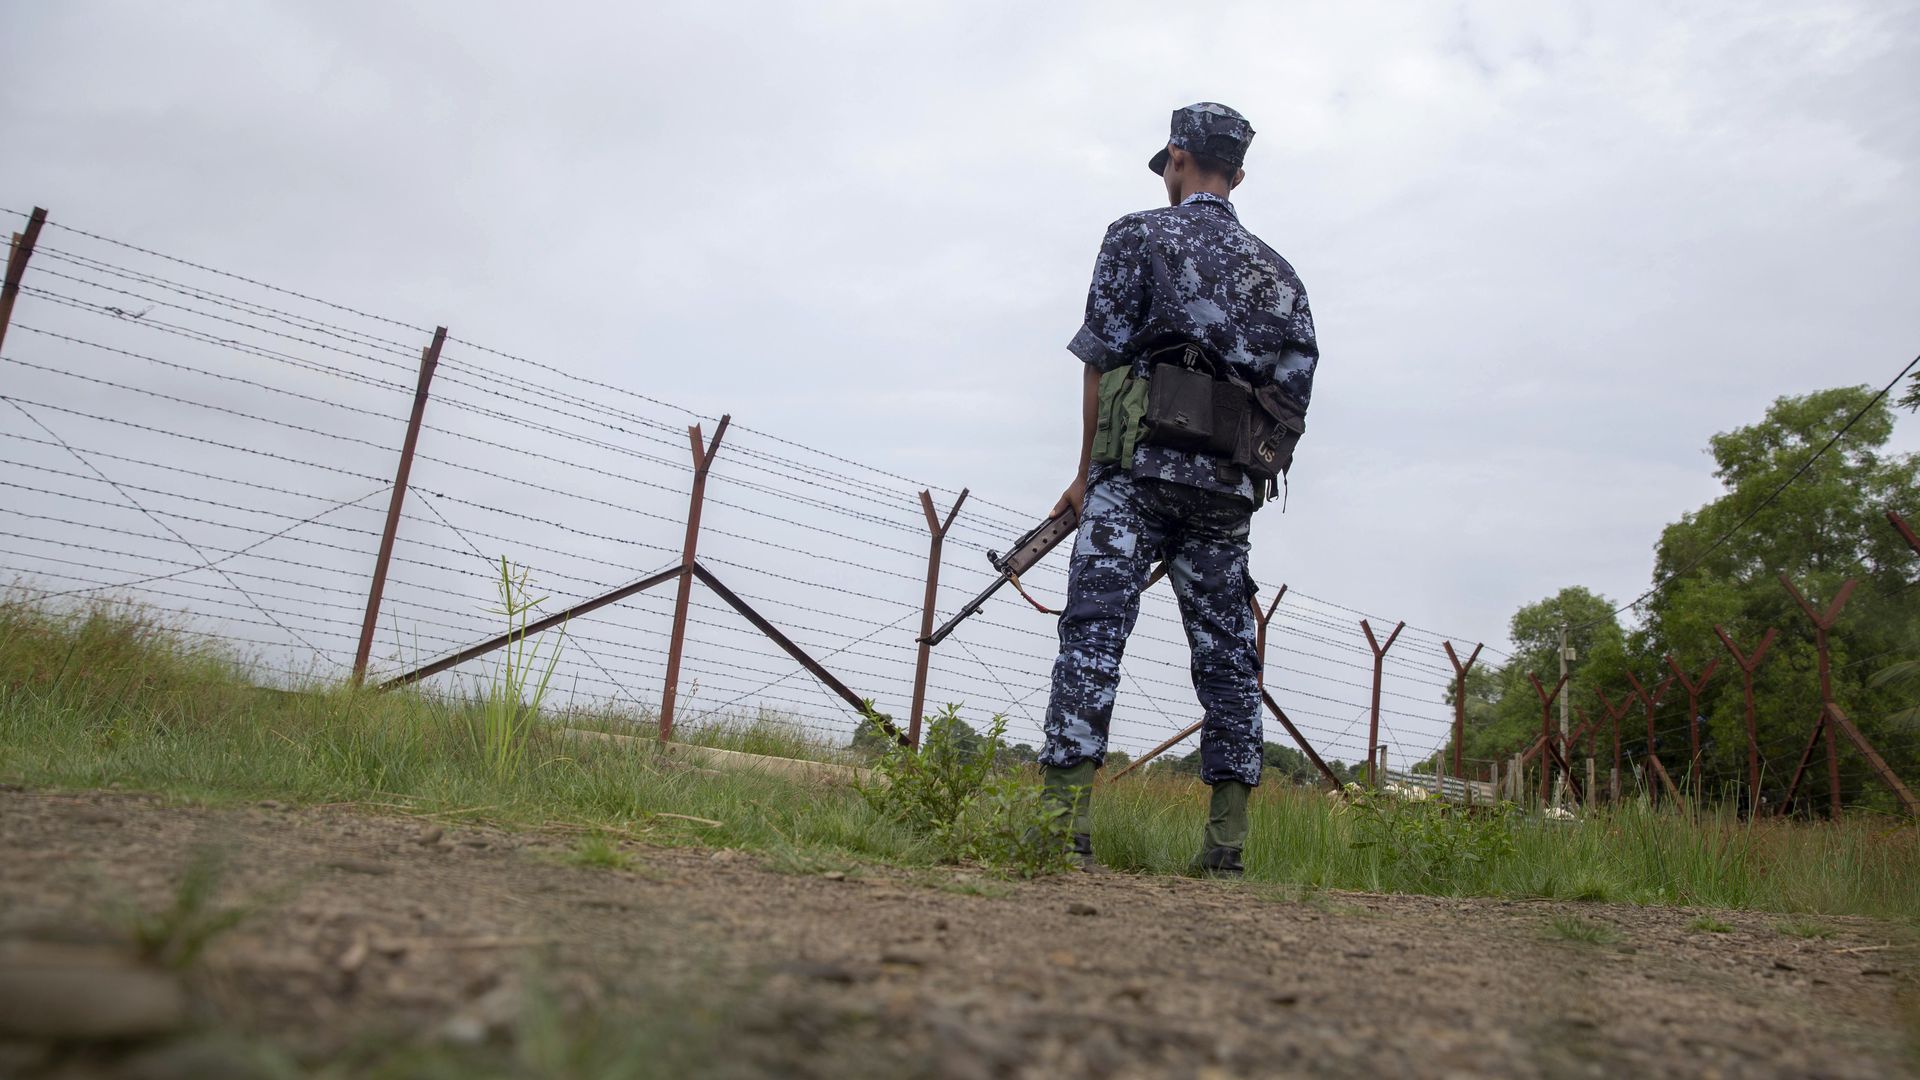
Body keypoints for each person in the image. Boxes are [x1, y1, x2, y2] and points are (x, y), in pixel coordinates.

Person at [1038, 102, 1320, 876]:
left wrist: (1087, 474)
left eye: (1167, 163)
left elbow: (1099, 357)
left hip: (1133, 474)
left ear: (1177, 156)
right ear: (1238, 170)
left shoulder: (1136, 234)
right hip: (1226, 493)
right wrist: (1242, 465)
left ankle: (1065, 831)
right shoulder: (1280, 273)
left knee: (1094, 632)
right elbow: (1294, 392)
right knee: (1229, 659)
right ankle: (1225, 847)